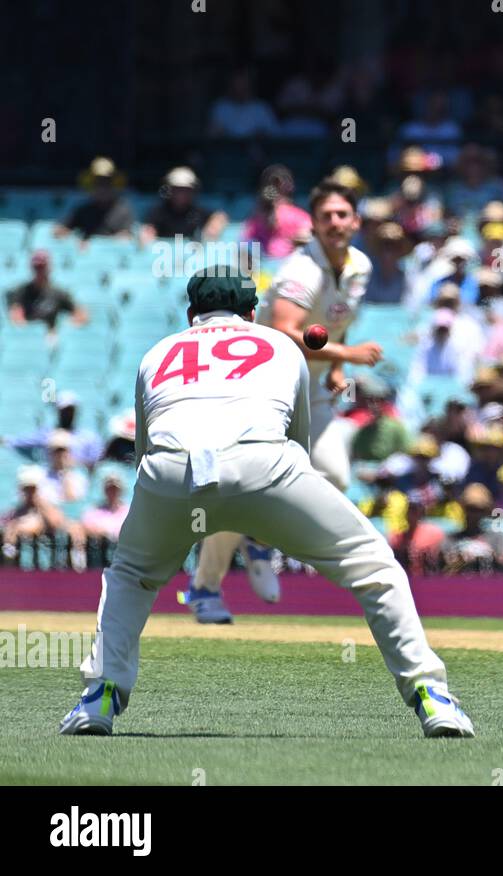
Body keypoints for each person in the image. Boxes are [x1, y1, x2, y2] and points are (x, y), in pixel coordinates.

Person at [57, 269, 473, 738]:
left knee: (131, 577)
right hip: (265, 463)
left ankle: (99, 698)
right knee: (375, 567)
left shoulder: (157, 352)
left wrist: (177, 516)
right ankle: (431, 697)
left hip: (170, 472)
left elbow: (146, 448)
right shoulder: (281, 345)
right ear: (252, 313)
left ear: (191, 314)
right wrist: (263, 517)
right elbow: (297, 442)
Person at [187, 180, 384, 623]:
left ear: (356, 220)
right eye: (326, 216)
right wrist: (348, 356)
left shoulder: (360, 265)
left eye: (343, 214)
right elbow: (283, 333)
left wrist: (335, 367)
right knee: (241, 487)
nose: (335, 223)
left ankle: (261, 537)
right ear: (312, 223)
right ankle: (204, 588)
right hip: (269, 387)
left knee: (333, 474)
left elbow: (338, 320)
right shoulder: (301, 271)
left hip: (311, 388)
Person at [6, 251, 87, 331]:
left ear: (49, 268)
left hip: (51, 338)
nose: (40, 271)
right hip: (27, 336)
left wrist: (65, 327)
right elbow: (15, 316)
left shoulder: (59, 293)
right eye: (37, 267)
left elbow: (81, 314)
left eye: (42, 267)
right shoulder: (21, 292)